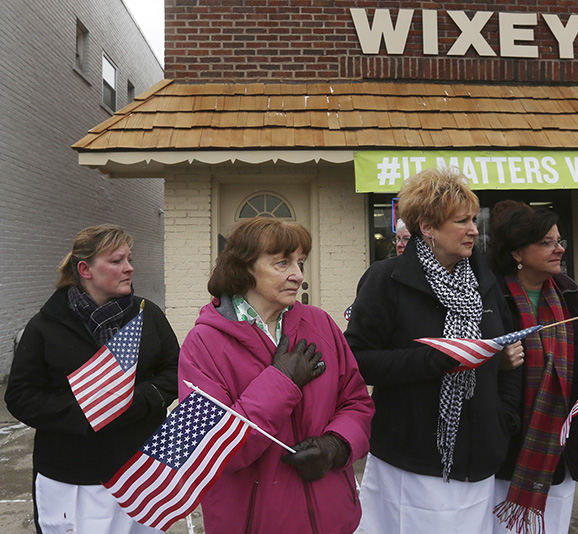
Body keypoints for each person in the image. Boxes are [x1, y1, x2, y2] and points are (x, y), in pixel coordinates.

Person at [345, 168, 522, 533]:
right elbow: (356, 362)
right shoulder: (386, 280)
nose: (474, 229)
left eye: (474, 219)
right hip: (411, 464)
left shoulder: (484, 281)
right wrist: (436, 360)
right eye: (461, 221)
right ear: (427, 227)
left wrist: (502, 420)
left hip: (479, 462)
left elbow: (508, 353)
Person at [178, 217, 374, 534]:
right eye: (282, 263)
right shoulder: (203, 344)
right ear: (244, 268)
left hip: (333, 520)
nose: (297, 275)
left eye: (300, 262)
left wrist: (336, 446)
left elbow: (357, 403)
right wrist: (281, 380)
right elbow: (213, 448)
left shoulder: (320, 324)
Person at [5, 225, 179, 534]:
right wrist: (84, 413)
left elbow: (174, 371)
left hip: (140, 469)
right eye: (117, 261)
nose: (129, 268)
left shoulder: (148, 316)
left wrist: (139, 399)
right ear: (85, 269)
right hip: (71, 475)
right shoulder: (45, 326)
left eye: (129, 259)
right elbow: (21, 396)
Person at [489, 201, 578, 534]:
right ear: (517, 252)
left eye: (560, 241)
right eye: (546, 242)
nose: (559, 249)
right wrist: (496, 362)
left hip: (562, 447)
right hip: (508, 448)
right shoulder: (491, 299)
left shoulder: (572, 294)